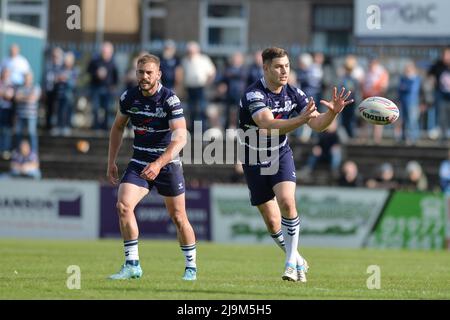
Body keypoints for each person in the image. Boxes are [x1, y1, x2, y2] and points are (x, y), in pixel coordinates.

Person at [238, 47, 353, 282]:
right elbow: (266, 124)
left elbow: (318, 125)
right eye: (279, 66)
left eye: (287, 66)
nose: (284, 71)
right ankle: (297, 257)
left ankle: (290, 263)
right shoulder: (253, 94)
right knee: (272, 222)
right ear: (266, 68)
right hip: (253, 157)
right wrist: (300, 120)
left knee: (287, 202)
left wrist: (332, 114)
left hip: (279, 154)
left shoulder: (294, 93)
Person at [107, 54, 197, 281]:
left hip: (167, 164)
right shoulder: (129, 97)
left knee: (178, 217)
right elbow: (118, 127)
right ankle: (132, 265)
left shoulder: (170, 99)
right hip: (139, 161)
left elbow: (180, 139)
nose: (144, 76)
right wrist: (111, 162)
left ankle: (191, 267)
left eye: (149, 72)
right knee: (123, 206)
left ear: (158, 74)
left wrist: (158, 164)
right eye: (140, 72)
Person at [87, 41, 119, 131]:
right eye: (104, 52)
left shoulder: (113, 63)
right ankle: (96, 126)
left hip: (108, 89)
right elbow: (88, 71)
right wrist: (96, 73)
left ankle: (105, 127)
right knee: (96, 108)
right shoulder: (95, 61)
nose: (106, 54)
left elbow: (116, 76)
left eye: (108, 52)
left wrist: (114, 86)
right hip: (96, 88)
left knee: (107, 108)